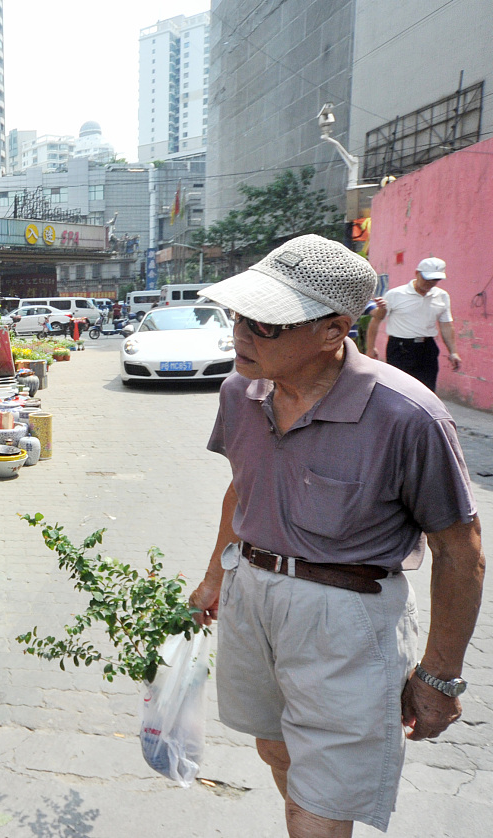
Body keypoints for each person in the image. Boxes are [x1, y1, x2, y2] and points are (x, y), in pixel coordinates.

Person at [188, 235, 484, 836]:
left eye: (265, 325)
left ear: (333, 331)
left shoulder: (408, 415)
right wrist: (215, 577)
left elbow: (461, 551)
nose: (241, 334)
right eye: (238, 316)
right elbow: (243, 486)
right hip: (251, 597)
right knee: (275, 749)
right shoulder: (239, 392)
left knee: (324, 795)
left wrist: (439, 674)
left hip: (347, 619)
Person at [365, 256, 460, 391]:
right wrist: (370, 348)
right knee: (398, 389)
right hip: (401, 348)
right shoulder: (396, 294)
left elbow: (446, 325)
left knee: (426, 390)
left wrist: (453, 352)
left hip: (427, 348)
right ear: (417, 273)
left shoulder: (442, 296)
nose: (430, 283)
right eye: (427, 278)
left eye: (435, 280)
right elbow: (376, 320)